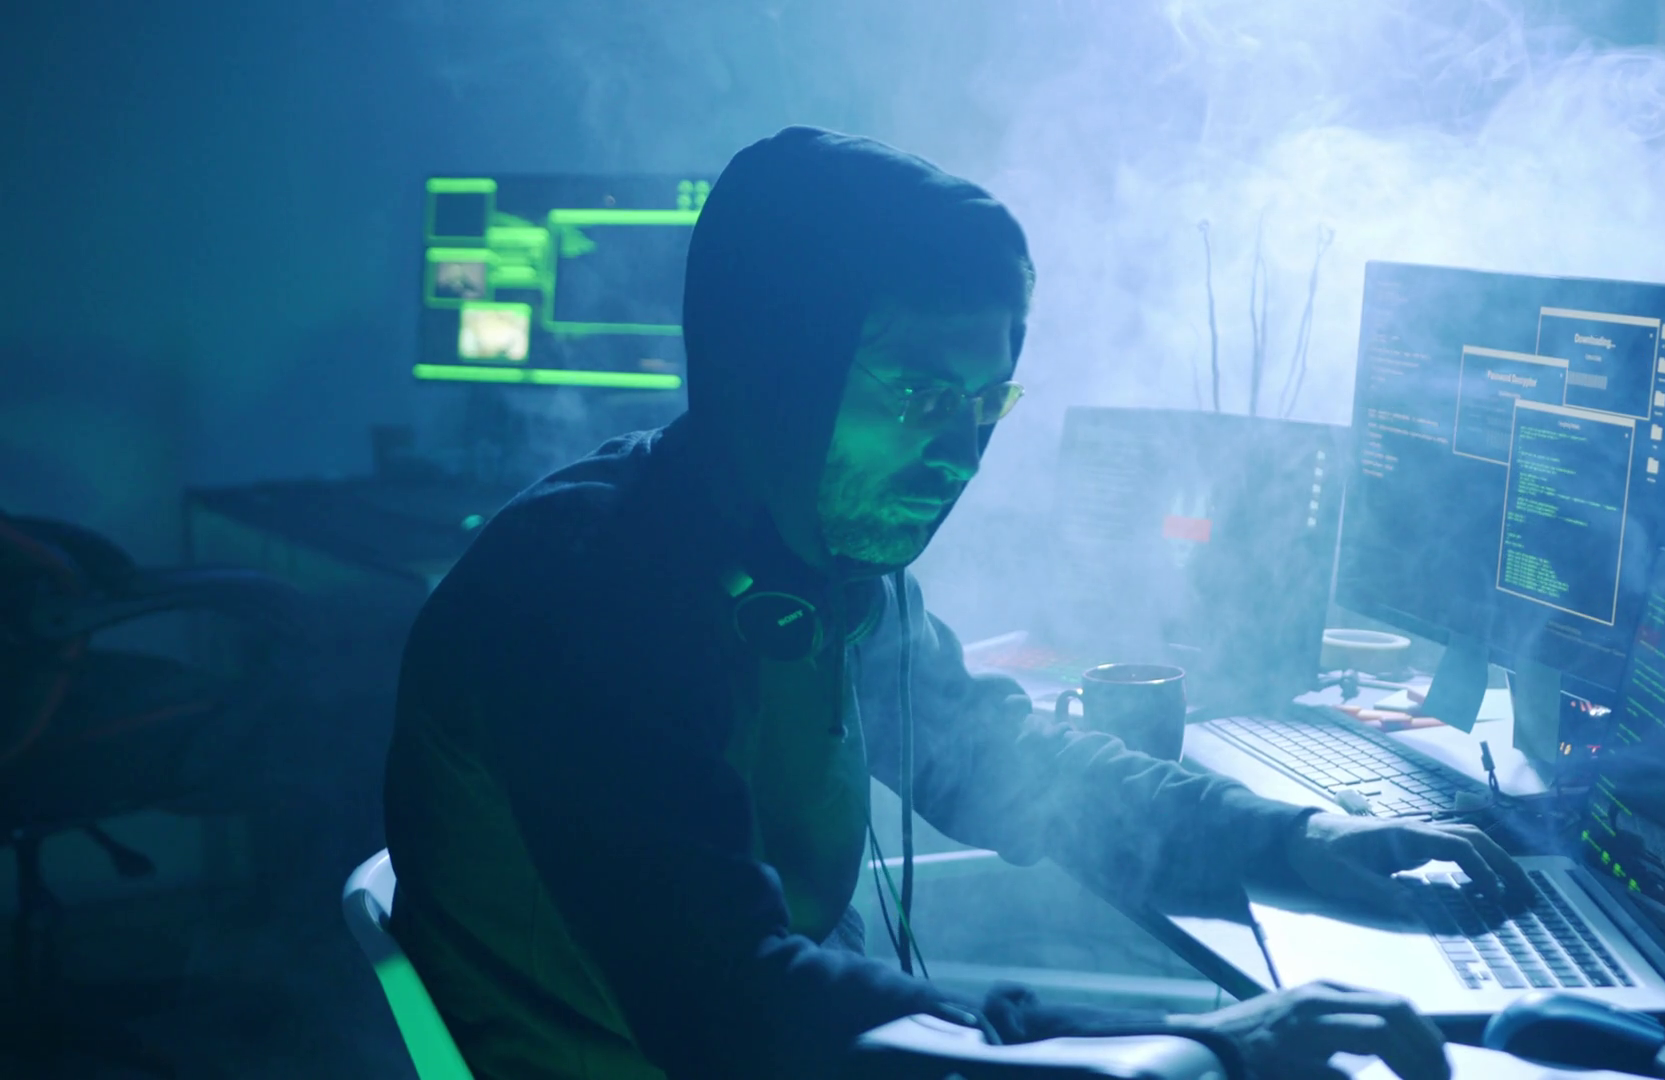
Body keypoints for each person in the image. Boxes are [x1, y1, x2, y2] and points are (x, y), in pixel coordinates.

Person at [383, 126, 1532, 1080]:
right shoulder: (587, 598)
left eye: (987, 401)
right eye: (918, 395)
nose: (962, 452)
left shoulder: (819, 566)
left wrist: (1294, 838)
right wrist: (1199, 1045)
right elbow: (738, 1012)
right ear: (769, 376)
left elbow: (994, 755)